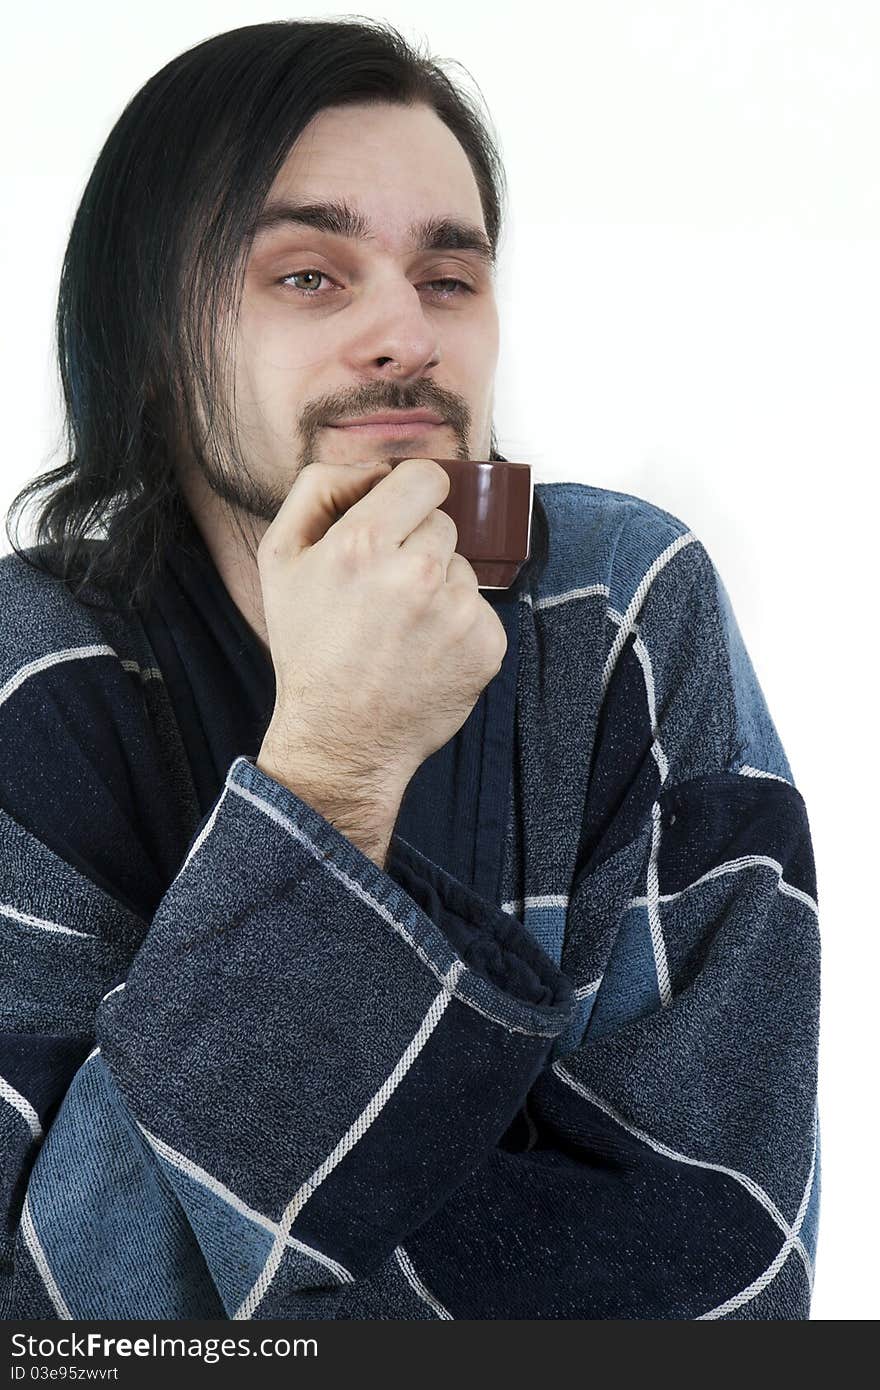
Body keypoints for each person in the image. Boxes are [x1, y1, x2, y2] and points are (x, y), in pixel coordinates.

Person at [0, 18, 820, 1320]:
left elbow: (726, 1268)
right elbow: (52, 1312)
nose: (405, 333)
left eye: (449, 278)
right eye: (310, 276)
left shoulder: (622, 611)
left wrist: (238, 1246)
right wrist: (332, 772)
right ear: (151, 344)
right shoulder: (29, 677)